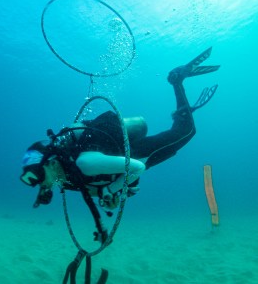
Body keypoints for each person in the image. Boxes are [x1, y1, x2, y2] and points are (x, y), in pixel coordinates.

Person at [20, 47, 219, 239]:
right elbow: (102, 186)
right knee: (181, 133)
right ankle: (181, 106)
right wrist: (112, 197)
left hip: (135, 154)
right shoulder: (65, 176)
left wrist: (110, 190)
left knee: (185, 132)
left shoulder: (84, 163)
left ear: (52, 162)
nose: (44, 184)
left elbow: (137, 167)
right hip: (122, 157)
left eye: (40, 176)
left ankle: (177, 80)